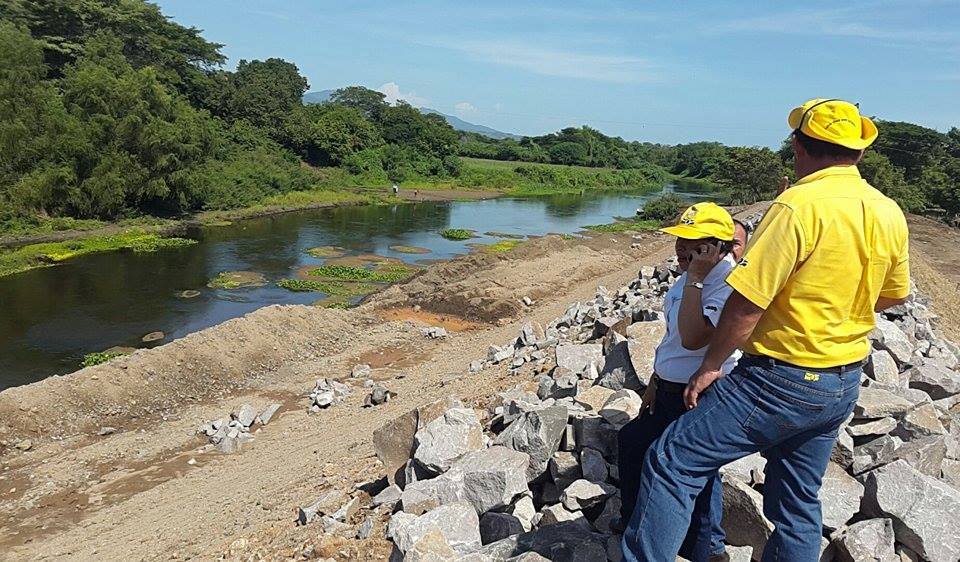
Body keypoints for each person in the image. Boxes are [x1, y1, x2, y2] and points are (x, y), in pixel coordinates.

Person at [622, 99, 911, 561]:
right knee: (797, 504)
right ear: (859, 152)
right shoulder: (888, 210)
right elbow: (894, 294)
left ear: (798, 146)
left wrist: (711, 366)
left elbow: (749, 299)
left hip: (781, 379)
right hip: (842, 381)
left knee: (672, 459)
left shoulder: (798, 205)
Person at [618, 202, 741, 562]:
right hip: (670, 388)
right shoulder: (687, 278)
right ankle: (635, 520)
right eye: (680, 240)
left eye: (693, 242)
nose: (682, 249)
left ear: (717, 246)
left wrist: (698, 277)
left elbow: (692, 337)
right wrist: (656, 378)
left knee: (692, 469)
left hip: (700, 394)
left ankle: (708, 548)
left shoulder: (726, 283)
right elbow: (673, 338)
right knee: (634, 442)